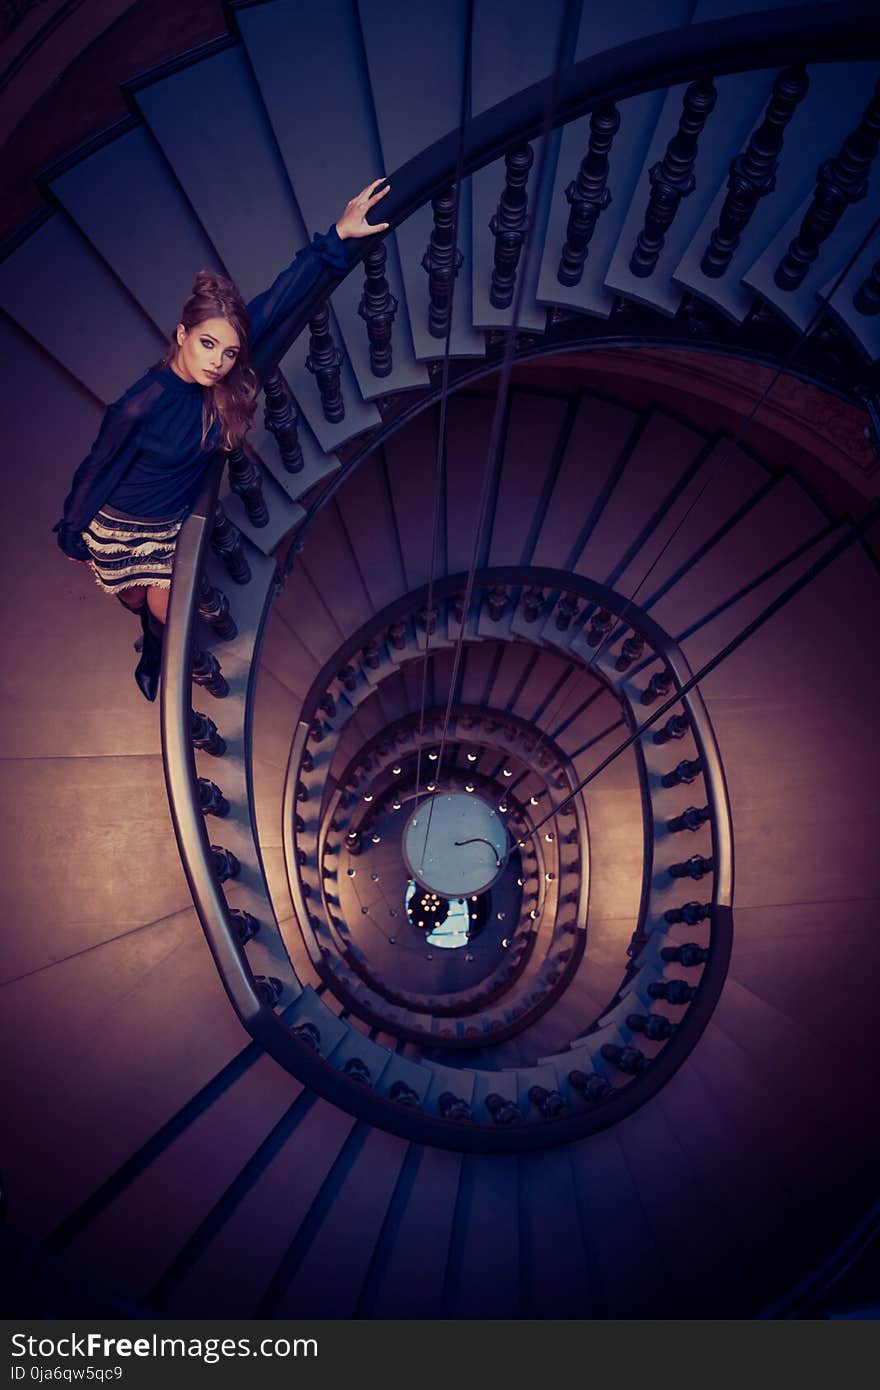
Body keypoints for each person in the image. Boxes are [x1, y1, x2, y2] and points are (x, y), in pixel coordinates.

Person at [53, 177, 391, 700]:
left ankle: (154, 657)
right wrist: (72, 532)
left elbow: (281, 298)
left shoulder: (222, 373)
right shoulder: (139, 406)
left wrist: (339, 237)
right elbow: (98, 468)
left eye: (229, 352)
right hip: (123, 520)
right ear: (182, 334)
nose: (217, 361)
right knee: (135, 600)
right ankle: (146, 633)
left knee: (165, 607)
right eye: (207, 343)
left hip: (168, 527)